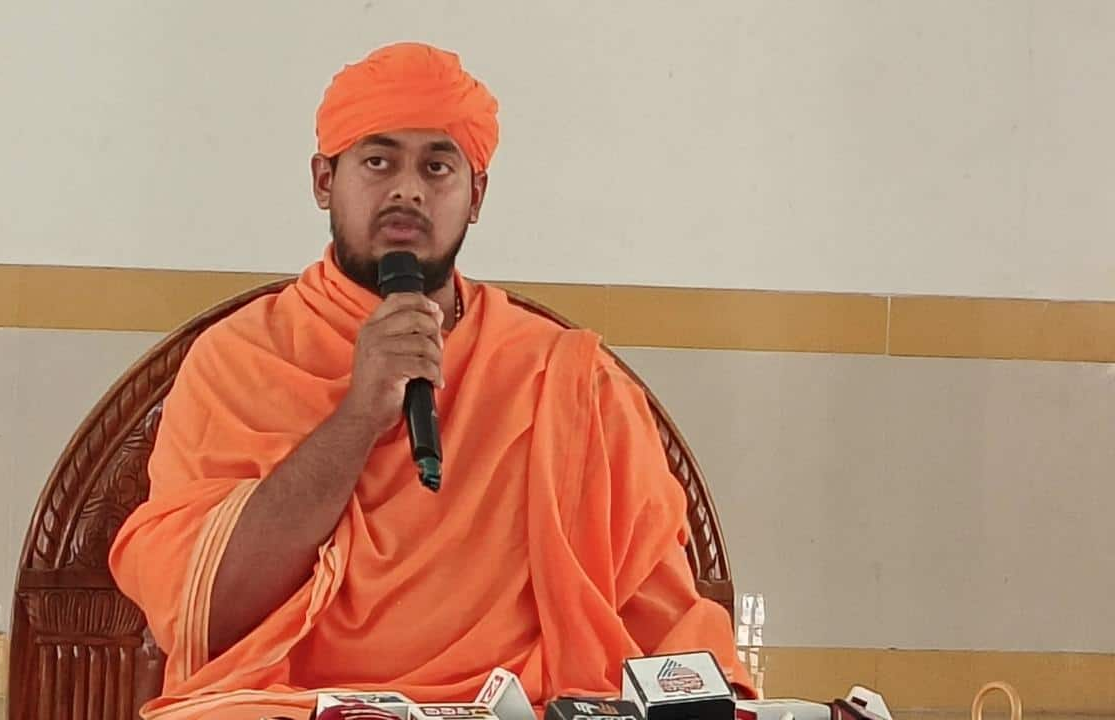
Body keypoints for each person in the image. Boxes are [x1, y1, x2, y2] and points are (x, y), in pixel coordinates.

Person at [109, 41, 753, 720]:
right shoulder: (240, 360)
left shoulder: (569, 381)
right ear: (324, 180)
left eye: (438, 166)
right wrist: (358, 415)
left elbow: (660, 620)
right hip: (295, 708)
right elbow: (207, 613)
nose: (408, 189)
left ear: (476, 196)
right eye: (378, 161)